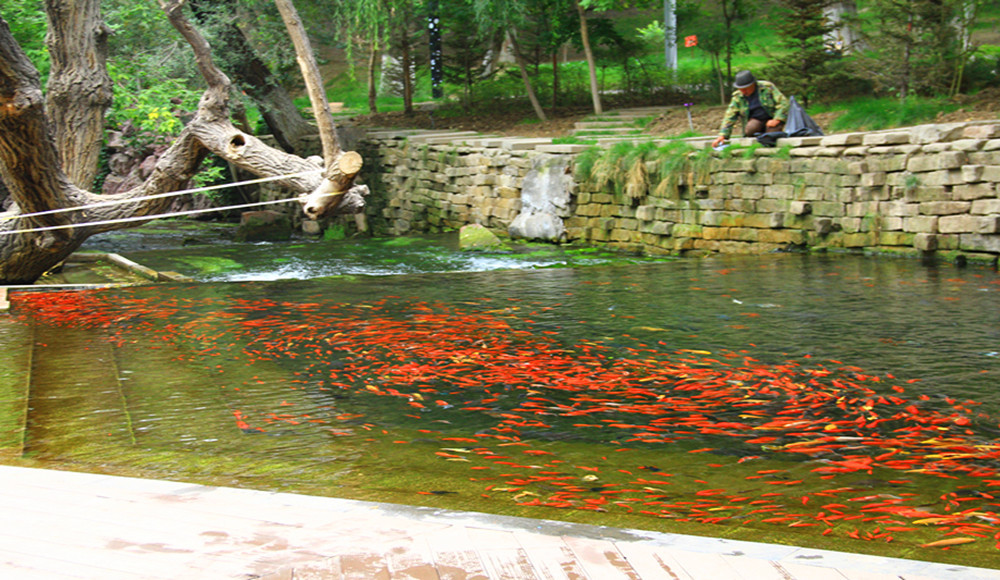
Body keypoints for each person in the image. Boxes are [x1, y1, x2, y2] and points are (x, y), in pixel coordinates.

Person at [711, 70, 789, 148]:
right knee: (750, 129)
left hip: (772, 118)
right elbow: (730, 116)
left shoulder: (767, 87)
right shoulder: (738, 96)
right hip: (756, 120)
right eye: (741, 89)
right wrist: (723, 135)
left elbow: (783, 104)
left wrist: (777, 119)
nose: (744, 91)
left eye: (746, 89)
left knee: (771, 134)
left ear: (753, 84)